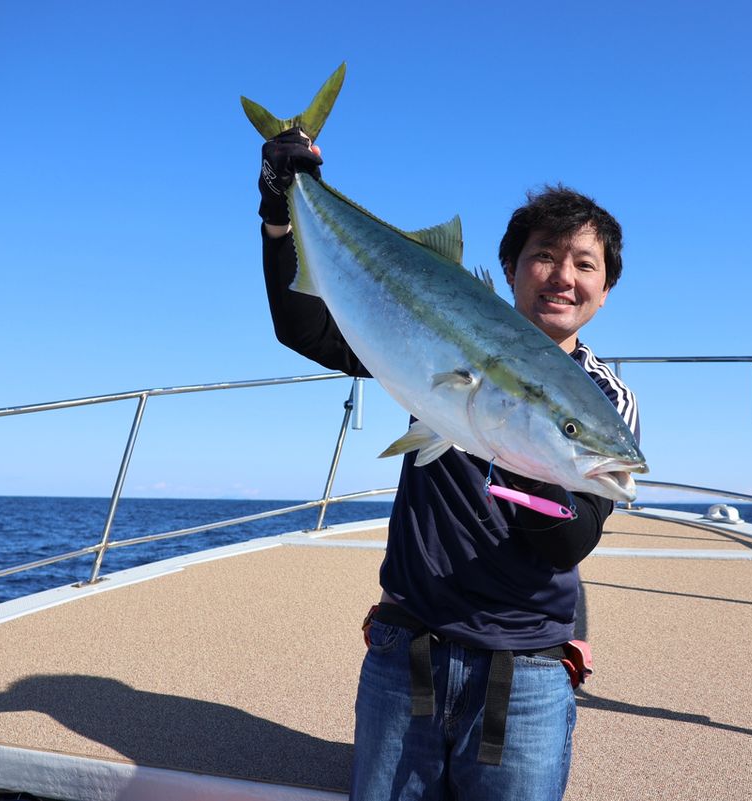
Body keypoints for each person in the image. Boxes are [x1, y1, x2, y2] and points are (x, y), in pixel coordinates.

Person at [258, 128, 640, 801]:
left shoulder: (606, 401)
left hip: (524, 675)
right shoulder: (430, 329)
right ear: (513, 268)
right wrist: (282, 212)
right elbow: (306, 329)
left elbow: (573, 535)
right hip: (406, 648)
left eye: (585, 263)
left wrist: (522, 447)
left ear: (605, 288)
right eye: (544, 256)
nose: (564, 275)